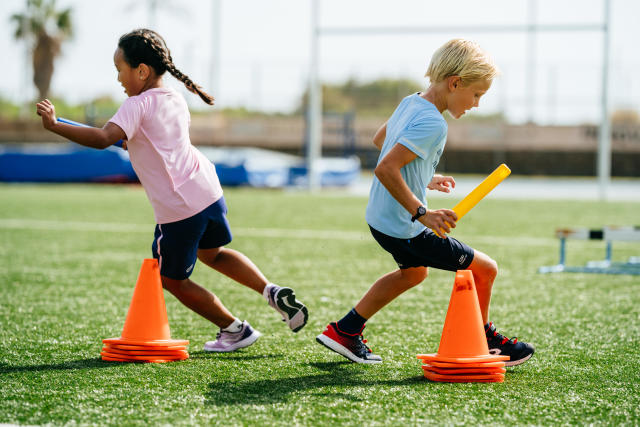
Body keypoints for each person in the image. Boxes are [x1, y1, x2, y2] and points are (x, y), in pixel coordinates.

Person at [36, 28, 308, 353]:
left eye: (120, 70)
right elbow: (142, 140)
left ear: (142, 71)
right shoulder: (174, 99)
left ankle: (235, 329)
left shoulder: (135, 105)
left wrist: (54, 125)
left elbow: (103, 139)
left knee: (171, 280)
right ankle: (271, 291)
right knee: (214, 254)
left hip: (180, 209)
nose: (119, 78)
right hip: (208, 194)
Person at [316, 39, 534, 366]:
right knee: (485, 270)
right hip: (406, 226)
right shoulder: (434, 123)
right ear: (455, 83)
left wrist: (423, 179)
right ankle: (484, 339)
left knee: (413, 274)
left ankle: (345, 330)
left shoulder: (411, 102)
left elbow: (382, 141)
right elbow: (386, 166)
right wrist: (423, 213)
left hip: (381, 220)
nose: (476, 104)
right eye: (476, 94)